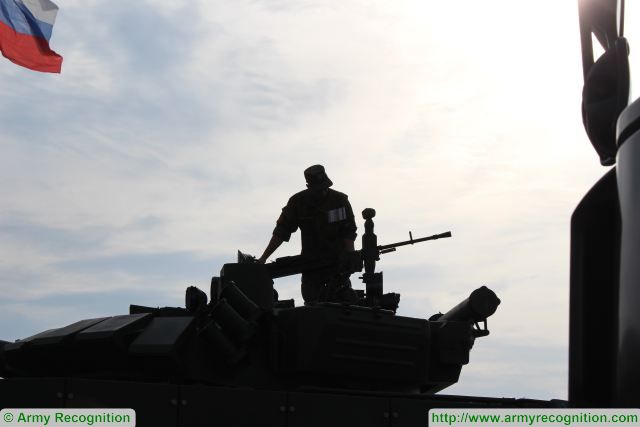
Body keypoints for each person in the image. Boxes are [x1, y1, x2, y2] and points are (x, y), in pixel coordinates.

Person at [257, 165, 357, 303]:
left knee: (342, 300)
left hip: (337, 265)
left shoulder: (340, 201)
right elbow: (281, 232)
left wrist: (350, 258)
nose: (323, 191)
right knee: (312, 303)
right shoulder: (298, 202)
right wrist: (263, 258)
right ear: (309, 187)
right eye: (318, 189)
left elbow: (349, 232)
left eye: (325, 187)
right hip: (310, 266)